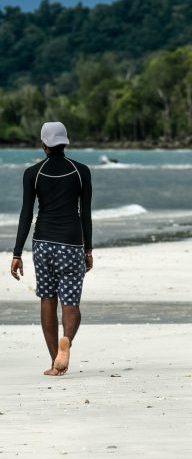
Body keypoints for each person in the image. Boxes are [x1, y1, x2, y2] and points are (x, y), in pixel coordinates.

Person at [10, 122, 93, 376]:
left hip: (43, 243)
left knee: (47, 298)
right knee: (71, 302)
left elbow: (26, 214)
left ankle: (54, 362)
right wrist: (88, 249)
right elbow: (85, 215)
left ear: (43, 144)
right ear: (65, 142)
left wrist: (16, 253)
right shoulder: (81, 171)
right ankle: (66, 340)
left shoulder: (32, 173)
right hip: (71, 242)